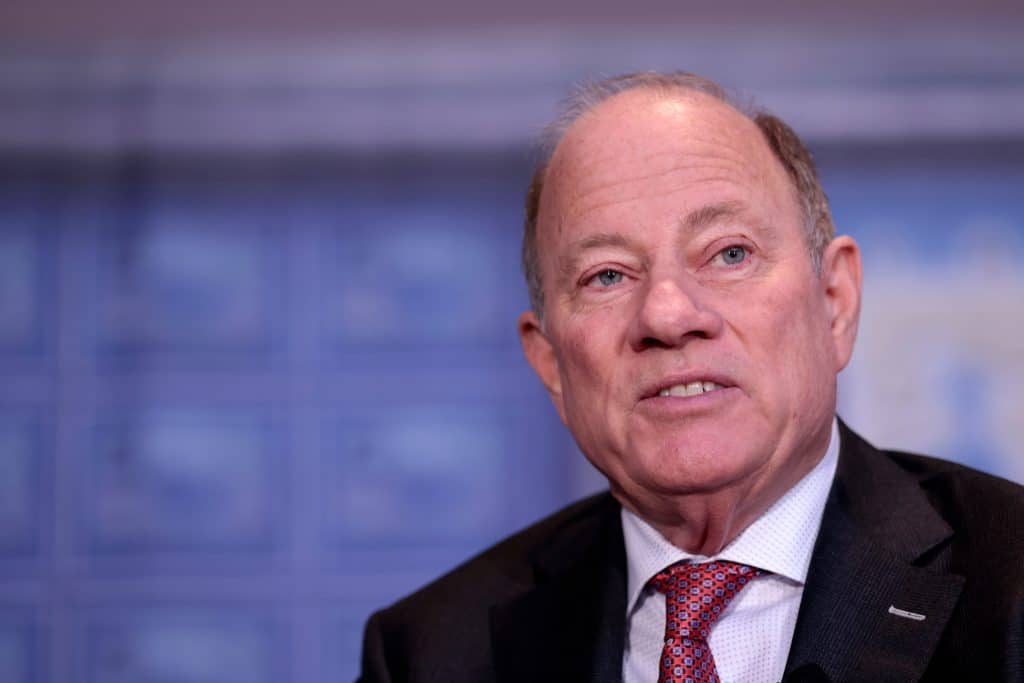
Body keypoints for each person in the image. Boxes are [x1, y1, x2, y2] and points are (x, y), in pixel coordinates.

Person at [358, 72, 1024, 682]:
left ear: (835, 303)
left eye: (729, 253)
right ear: (552, 363)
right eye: (607, 275)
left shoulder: (1012, 584)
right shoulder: (429, 654)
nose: (669, 315)